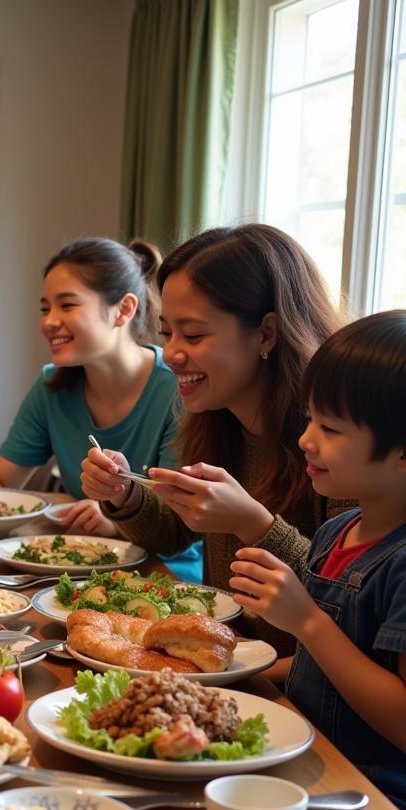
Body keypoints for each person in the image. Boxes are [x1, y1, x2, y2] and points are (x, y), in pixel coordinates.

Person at [81, 224, 352, 656]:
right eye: (167, 332)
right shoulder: (220, 417)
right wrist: (125, 494)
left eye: (193, 334)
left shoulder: (339, 439)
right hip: (224, 656)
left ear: (266, 333)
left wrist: (252, 524)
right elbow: (173, 532)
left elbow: (345, 596)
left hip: (296, 688)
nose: (170, 354)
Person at [230, 311, 406, 810]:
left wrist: (306, 620)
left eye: (330, 427)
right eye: (310, 418)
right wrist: (238, 672)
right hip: (306, 758)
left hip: (370, 796)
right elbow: (319, 672)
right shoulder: (335, 533)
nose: (307, 439)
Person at [0, 237, 201, 581]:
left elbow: (177, 522)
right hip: (80, 566)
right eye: (44, 308)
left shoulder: (178, 389)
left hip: (166, 573)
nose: (49, 321)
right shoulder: (52, 386)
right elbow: (4, 480)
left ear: (124, 310)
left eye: (66, 306)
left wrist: (116, 520)